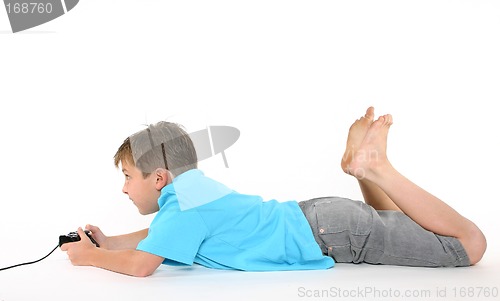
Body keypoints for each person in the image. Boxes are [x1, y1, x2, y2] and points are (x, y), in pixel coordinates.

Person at [61, 107, 487, 277]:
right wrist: (110, 241)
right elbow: (157, 241)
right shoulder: (190, 195)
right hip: (323, 220)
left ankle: (377, 168)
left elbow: (142, 266)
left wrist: (92, 256)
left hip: (331, 232)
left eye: (128, 176)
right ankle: (366, 174)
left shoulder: (184, 206)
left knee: (468, 245)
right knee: (402, 226)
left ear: (158, 179)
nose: (123, 188)